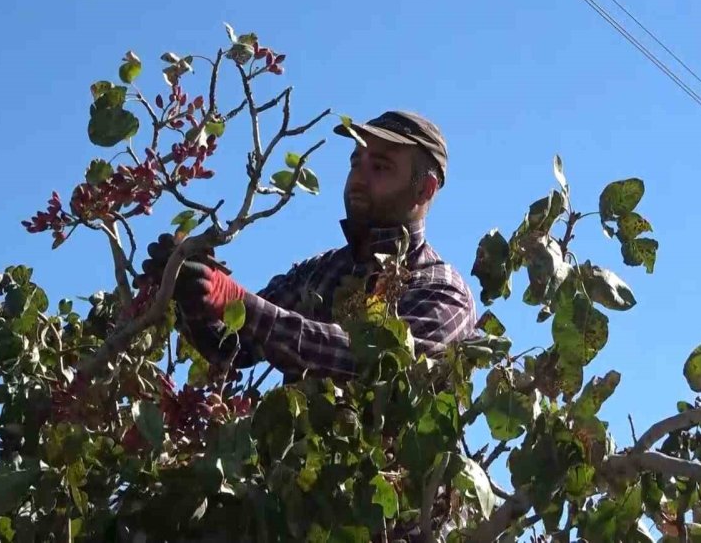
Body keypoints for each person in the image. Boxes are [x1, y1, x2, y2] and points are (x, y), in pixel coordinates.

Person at [141, 110, 477, 381]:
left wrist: (234, 300)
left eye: (380, 167)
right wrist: (188, 293)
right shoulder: (319, 271)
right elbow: (233, 348)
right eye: (355, 162)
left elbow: (376, 365)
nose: (358, 177)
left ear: (425, 190)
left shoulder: (441, 289)